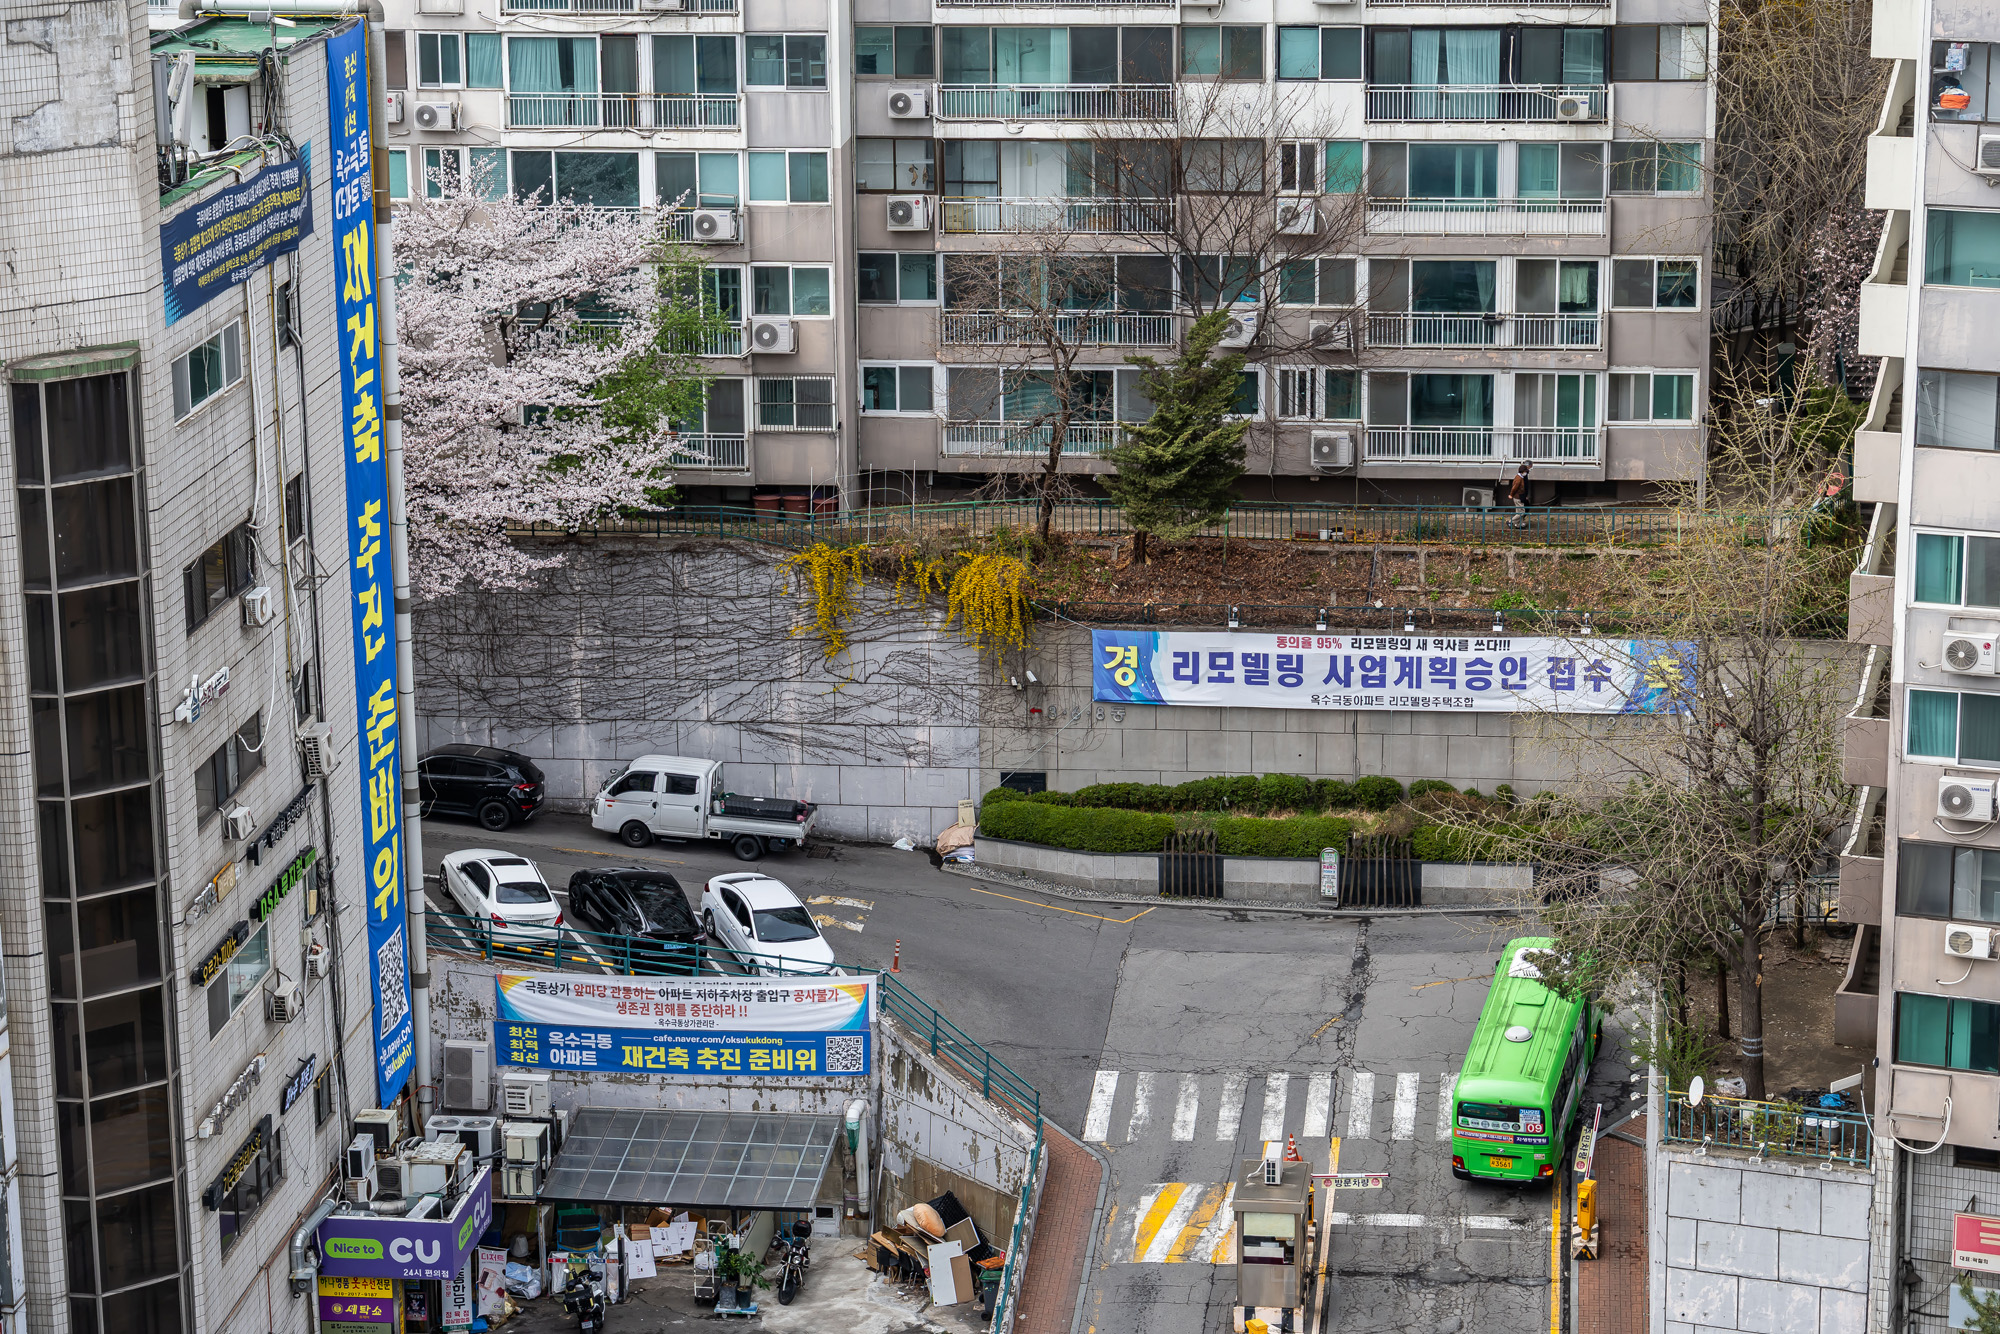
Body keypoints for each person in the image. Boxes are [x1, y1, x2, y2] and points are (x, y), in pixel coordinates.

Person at [1505, 462, 1533, 528]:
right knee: (1521, 512)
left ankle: (1518, 524)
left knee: (1519, 511)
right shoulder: (1519, 479)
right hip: (1518, 497)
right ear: (1522, 471)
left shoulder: (1520, 477)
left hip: (1519, 497)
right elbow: (1514, 488)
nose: (1526, 473)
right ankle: (1510, 521)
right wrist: (1511, 495)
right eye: (1525, 471)